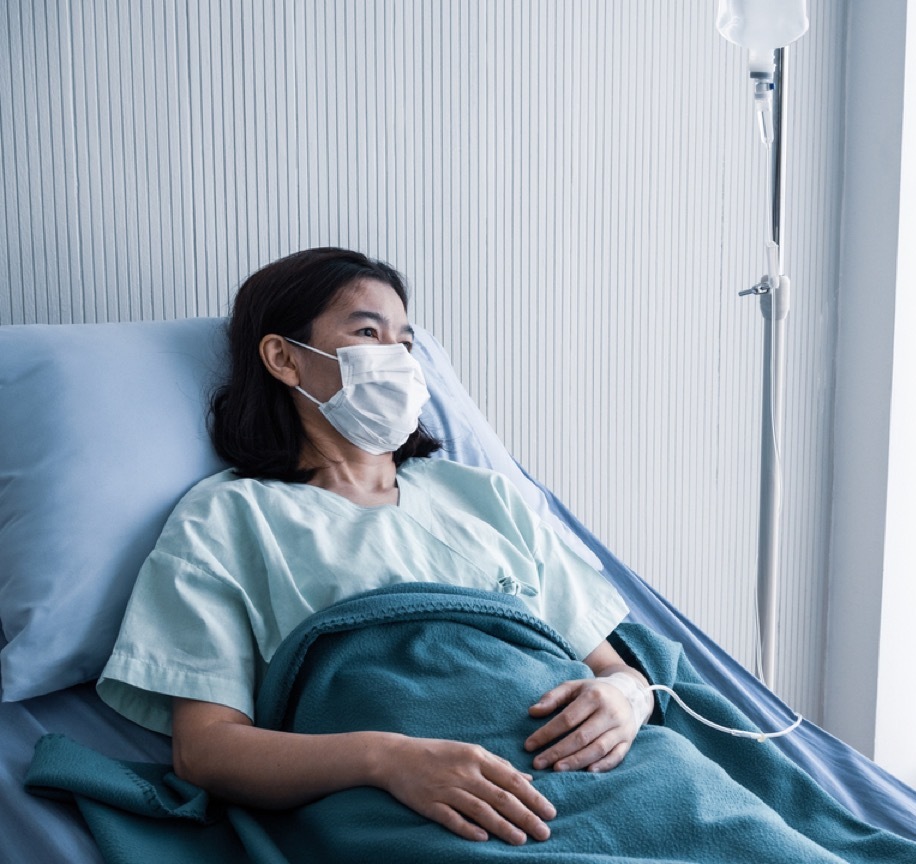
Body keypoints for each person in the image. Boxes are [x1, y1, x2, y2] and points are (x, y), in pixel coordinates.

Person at [96, 247, 651, 847]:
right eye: (368, 332)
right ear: (284, 358)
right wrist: (386, 760)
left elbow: (612, 668)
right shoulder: (228, 516)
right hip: (428, 809)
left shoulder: (484, 495)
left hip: (599, 772)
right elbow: (205, 751)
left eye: (405, 344)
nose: (398, 361)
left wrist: (627, 699)